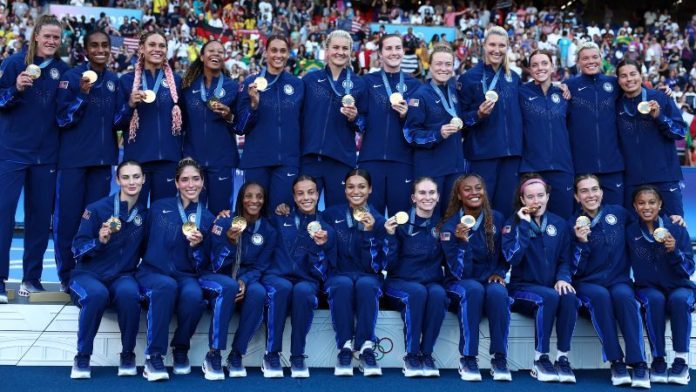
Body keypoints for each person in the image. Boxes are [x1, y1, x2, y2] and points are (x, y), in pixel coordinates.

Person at [0, 14, 70, 301]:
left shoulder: (63, 71)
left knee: (41, 220)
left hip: (47, 157)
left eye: (56, 37)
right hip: (12, 153)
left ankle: (31, 278)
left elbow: (66, 113)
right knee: (3, 216)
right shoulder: (14, 63)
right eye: (48, 36)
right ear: (36, 36)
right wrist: (14, 88)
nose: (52, 41)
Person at [136, 158, 214, 382]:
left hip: (186, 275)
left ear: (203, 182)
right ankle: (154, 356)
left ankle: (181, 348)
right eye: (185, 180)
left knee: (193, 296)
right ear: (177, 184)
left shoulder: (207, 218)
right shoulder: (159, 207)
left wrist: (197, 247)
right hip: (153, 271)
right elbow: (142, 241)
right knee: (165, 286)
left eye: (196, 179)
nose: (191, 184)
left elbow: (204, 263)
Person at [54, 30, 120, 291]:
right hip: (72, 160)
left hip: (102, 162)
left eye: (104, 45)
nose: (100, 49)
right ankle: (66, 275)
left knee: (93, 220)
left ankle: (87, 271)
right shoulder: (71, 78)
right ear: (85, 50)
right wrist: (81, 93)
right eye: (94, 45)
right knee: (68, 219)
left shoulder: (114, 80)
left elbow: (118, 120)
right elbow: (62, 118)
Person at [569, 174, 650, 387]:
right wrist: (581, 242)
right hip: (588, 283)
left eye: (594, 189)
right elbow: (574, 270)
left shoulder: (619, 214)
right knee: (600, 296)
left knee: (625, 297)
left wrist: (671, 221)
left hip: (619, 280)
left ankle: (639, 363)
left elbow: (645, 224)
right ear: (577, 197)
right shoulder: (572, 225)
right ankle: (616, 362)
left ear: (602, 192)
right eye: (584, 191)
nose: (591, 195)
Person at [68, 161, 146, 379]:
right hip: (87, 275)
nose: (132, 182)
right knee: (96, 294)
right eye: (126, 177)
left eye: (136, 176)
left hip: (122, 276)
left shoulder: (144, 215)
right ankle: (82, 356)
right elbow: (76, 249)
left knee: (130, 293)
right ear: (117, 180)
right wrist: (99, 241)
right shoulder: (97, 209)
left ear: (143, 180)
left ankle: (128, 355)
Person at [502, 173, 578, 383]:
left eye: (540, 195)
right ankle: (540, 359)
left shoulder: (559, 223)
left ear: (547, 196)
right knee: (549, 297)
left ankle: (562, 358)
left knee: (569, 296)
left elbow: (565, 259)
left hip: (551, 287)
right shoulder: (512, 224)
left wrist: (563, 278)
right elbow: (513, 258)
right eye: (531, 197)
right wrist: (524, 225)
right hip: (521, 289)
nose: (536, 201)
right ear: (522, 200)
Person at [439, 174, 512, 381]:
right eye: (467, 190)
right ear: (459, 196)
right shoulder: (449, 227)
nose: (474, 193)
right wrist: (462, 243)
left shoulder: (496, 218)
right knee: (472, 288)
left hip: (488, 281)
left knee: (498, 292)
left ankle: (499, 357)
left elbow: (504, 256)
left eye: (478, 188)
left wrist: (499, 272)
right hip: (459, 284)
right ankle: (468, 357)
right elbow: (457, 272)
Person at [261, 175, 335, 378]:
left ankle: (298, 355)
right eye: (300, 193)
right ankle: (271, 353)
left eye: (311, 192)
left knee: (303, 291)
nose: (306, 197)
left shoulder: (326, 228)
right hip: (276, 276)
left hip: (307, 280)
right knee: (282, 288)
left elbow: (324, 271)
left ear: (318, 195)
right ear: (293, 197)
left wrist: (321, 248)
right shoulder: (280, 218)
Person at [203, 182, 276, 380]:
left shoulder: (269, 231)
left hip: (246, 278)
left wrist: (243, 281)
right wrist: (229, 243)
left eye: (259, 196)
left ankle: (236, 354)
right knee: (228, 286)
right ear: (240, 199)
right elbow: (214, 265)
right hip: (218, 277)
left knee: (259, 292)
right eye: (248, 196)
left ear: (264, 200)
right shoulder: (225, 222)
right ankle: (213, 354)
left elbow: (261, 266)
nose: (254, 200)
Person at [627, 186, 694, 386]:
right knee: (654, 299)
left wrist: (675, 252)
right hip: (648, 287)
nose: (647, 207)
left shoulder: (676, 228)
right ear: (634, 206)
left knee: (679, 300)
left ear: (660, 204)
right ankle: (658, 360)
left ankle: (681, 362)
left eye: (652, 202)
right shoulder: (630, 231)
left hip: (679, 285)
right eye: (641, 203)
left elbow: (689, 269)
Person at [323, 169, 386, 377]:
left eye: (361, 187)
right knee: (341, 284)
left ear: (370, 190)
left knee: (367, 285)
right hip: (339, 273)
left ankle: (366, 346)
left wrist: (369, 234)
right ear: (345, 189)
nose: (356, 191)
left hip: (367, 274)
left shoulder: (378, 220)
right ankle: (346, 348)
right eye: (351, 187)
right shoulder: (331, 215)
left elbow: (376, 266)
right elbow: (325, 249)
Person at [383, 177, 448, 378]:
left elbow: (450, 261)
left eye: (431, 193)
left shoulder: (444, 224)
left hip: (432, 282)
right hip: (400, 282)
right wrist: (390, 237)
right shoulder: (399, 223)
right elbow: (388, 265)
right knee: (417, 293)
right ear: (413, 197)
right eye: (422, 193)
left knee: (439, 294)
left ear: (438, 197)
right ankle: (411, 355)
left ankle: (426, 354)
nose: (427, 197)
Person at [458, 26, 523, 218]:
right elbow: (460, 120)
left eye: (502, 45)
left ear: (507, 47)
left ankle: (502, 248)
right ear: (484, 46)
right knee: (480, 210)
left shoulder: (514, 78)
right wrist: (478, 115)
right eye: (492, 44)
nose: (497, 49)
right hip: (483, 155)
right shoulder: (469, 78)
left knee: (506, 211)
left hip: (511, 155)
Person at [235, 35, 304, 213]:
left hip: (287, 162)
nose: (278, 55)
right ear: (265, 53)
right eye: (274, 50)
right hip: (257, 160)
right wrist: (253, 106)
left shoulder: (297, 85)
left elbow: (303, 123)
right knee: (254, 214)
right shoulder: (251, 83)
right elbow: (240, 127)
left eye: (283, 51)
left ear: (288, 53)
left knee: (282, 213)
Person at [301, 30, 367, 207]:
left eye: (345, 48)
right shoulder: (310, 80)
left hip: (340, 161)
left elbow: (365, 124)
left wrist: (355, 118)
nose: (340, 52)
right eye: (335, 47)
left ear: (350, 52)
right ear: (327, 50)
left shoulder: (359, 83)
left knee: (338, 216)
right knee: (306, 214)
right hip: (309, 158)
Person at [116, 30, 183, 204]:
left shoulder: (176, 81)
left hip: (168, 159)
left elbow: (186, 122)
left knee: (163, 214)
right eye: (152, 45)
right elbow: (116, 122)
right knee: (133, 214)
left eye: (162, 46)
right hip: (137, 161)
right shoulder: (126, 81)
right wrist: (130, 105)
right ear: (141, 49)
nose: (157, 49)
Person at [615, 59, 687, 217]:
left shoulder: (660, 98)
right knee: (635, 234)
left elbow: (680, 132)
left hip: (665, 178)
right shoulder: (616, 105)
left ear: (641, 75)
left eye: (633, 74)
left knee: (675, 228)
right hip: (632, 181)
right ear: (618, 80)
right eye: (623, 76)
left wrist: (660, 117)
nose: (629, 79)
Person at [359, 34, 420, 215]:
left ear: (403, 51)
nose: (394, 52)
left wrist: (406, 116)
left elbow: (419, 125)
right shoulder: (367, 82)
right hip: (371, 159)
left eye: (398, 48)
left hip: (402, 161)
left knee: (400, 218)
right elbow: (360, 118)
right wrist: (354, 117)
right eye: (389, 48)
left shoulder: (415, 85)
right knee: (369, 218)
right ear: (380, 53)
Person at [404, 45, 467, 217]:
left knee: (452, 217)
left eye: (448, 64)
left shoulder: (454, 92)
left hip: (454, 167)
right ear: (430, 66)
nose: (443, 69)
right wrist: (438, 134)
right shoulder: (420, 95)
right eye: (439, 64)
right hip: (431, 169)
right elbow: (411, 134)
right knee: (429, 219)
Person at [181, 40, 238, 216]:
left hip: (221, 160)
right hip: (193, 160)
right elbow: (181, 121)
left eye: (220, 52)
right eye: (211, 51)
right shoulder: (188, 87)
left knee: (221, 214)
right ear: (202, 56)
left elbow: (240, 124)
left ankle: (219, 244)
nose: (216, 54)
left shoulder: (232, 86)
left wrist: (229, 115)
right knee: (191, 214)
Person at [565, 42, 624, 205]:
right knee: (584, 219)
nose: (591, 61)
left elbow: (637, 93)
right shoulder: (569, 86)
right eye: (585, 58)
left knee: (615, 215)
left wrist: (662, 93)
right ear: (578, 62)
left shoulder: (614, 84)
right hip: (582, 167)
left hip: (612, 165)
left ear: (601, 58)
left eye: (594, 57)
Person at [518, 50, 574, 219]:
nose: (540, 68)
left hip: (562, 167)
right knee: (534, 220)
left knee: (563, 220)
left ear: (552, 67)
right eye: (534, 65)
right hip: (532, 168)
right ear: (529, 69)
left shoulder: (563, 94)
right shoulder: (521, 93)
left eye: (544, 63)